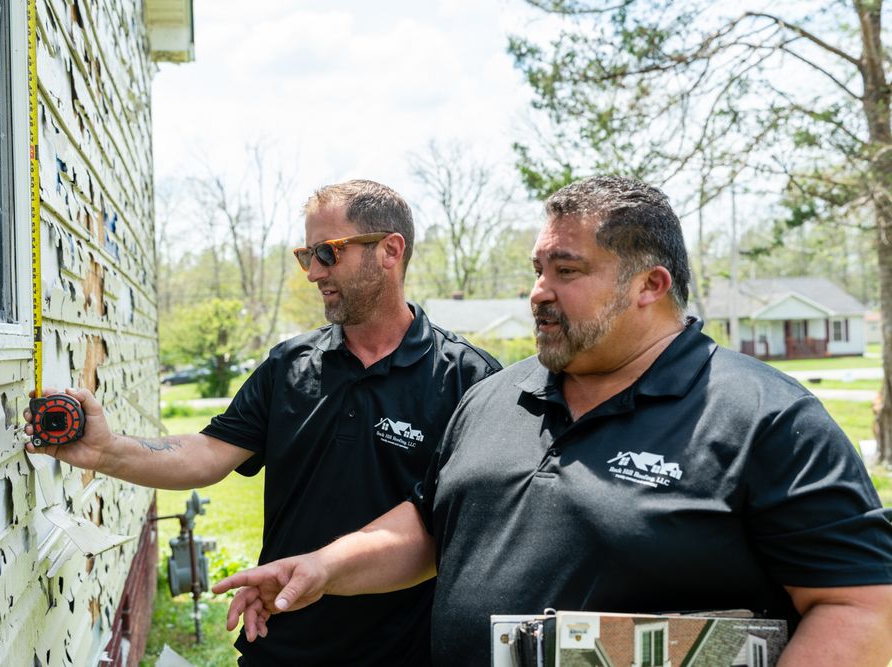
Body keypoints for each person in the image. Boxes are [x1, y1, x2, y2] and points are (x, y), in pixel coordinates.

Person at [215, 176, 892, 666]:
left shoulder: (766, 419)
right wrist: (324, 565)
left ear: (648, 286)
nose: (539, 291)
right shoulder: (492, 398)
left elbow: (862, 610)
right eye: (539, 268)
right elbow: (429, 524)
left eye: (566, 270)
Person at [24, 179, 501, 666]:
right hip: (280, 639)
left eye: (328, 253)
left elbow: (456, 528)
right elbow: (209, 453)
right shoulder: (290, 366)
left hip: (406, 654)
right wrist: (106, 451)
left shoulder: (467, 379)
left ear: (390, 250)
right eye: (306, 255)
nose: (314, 273)